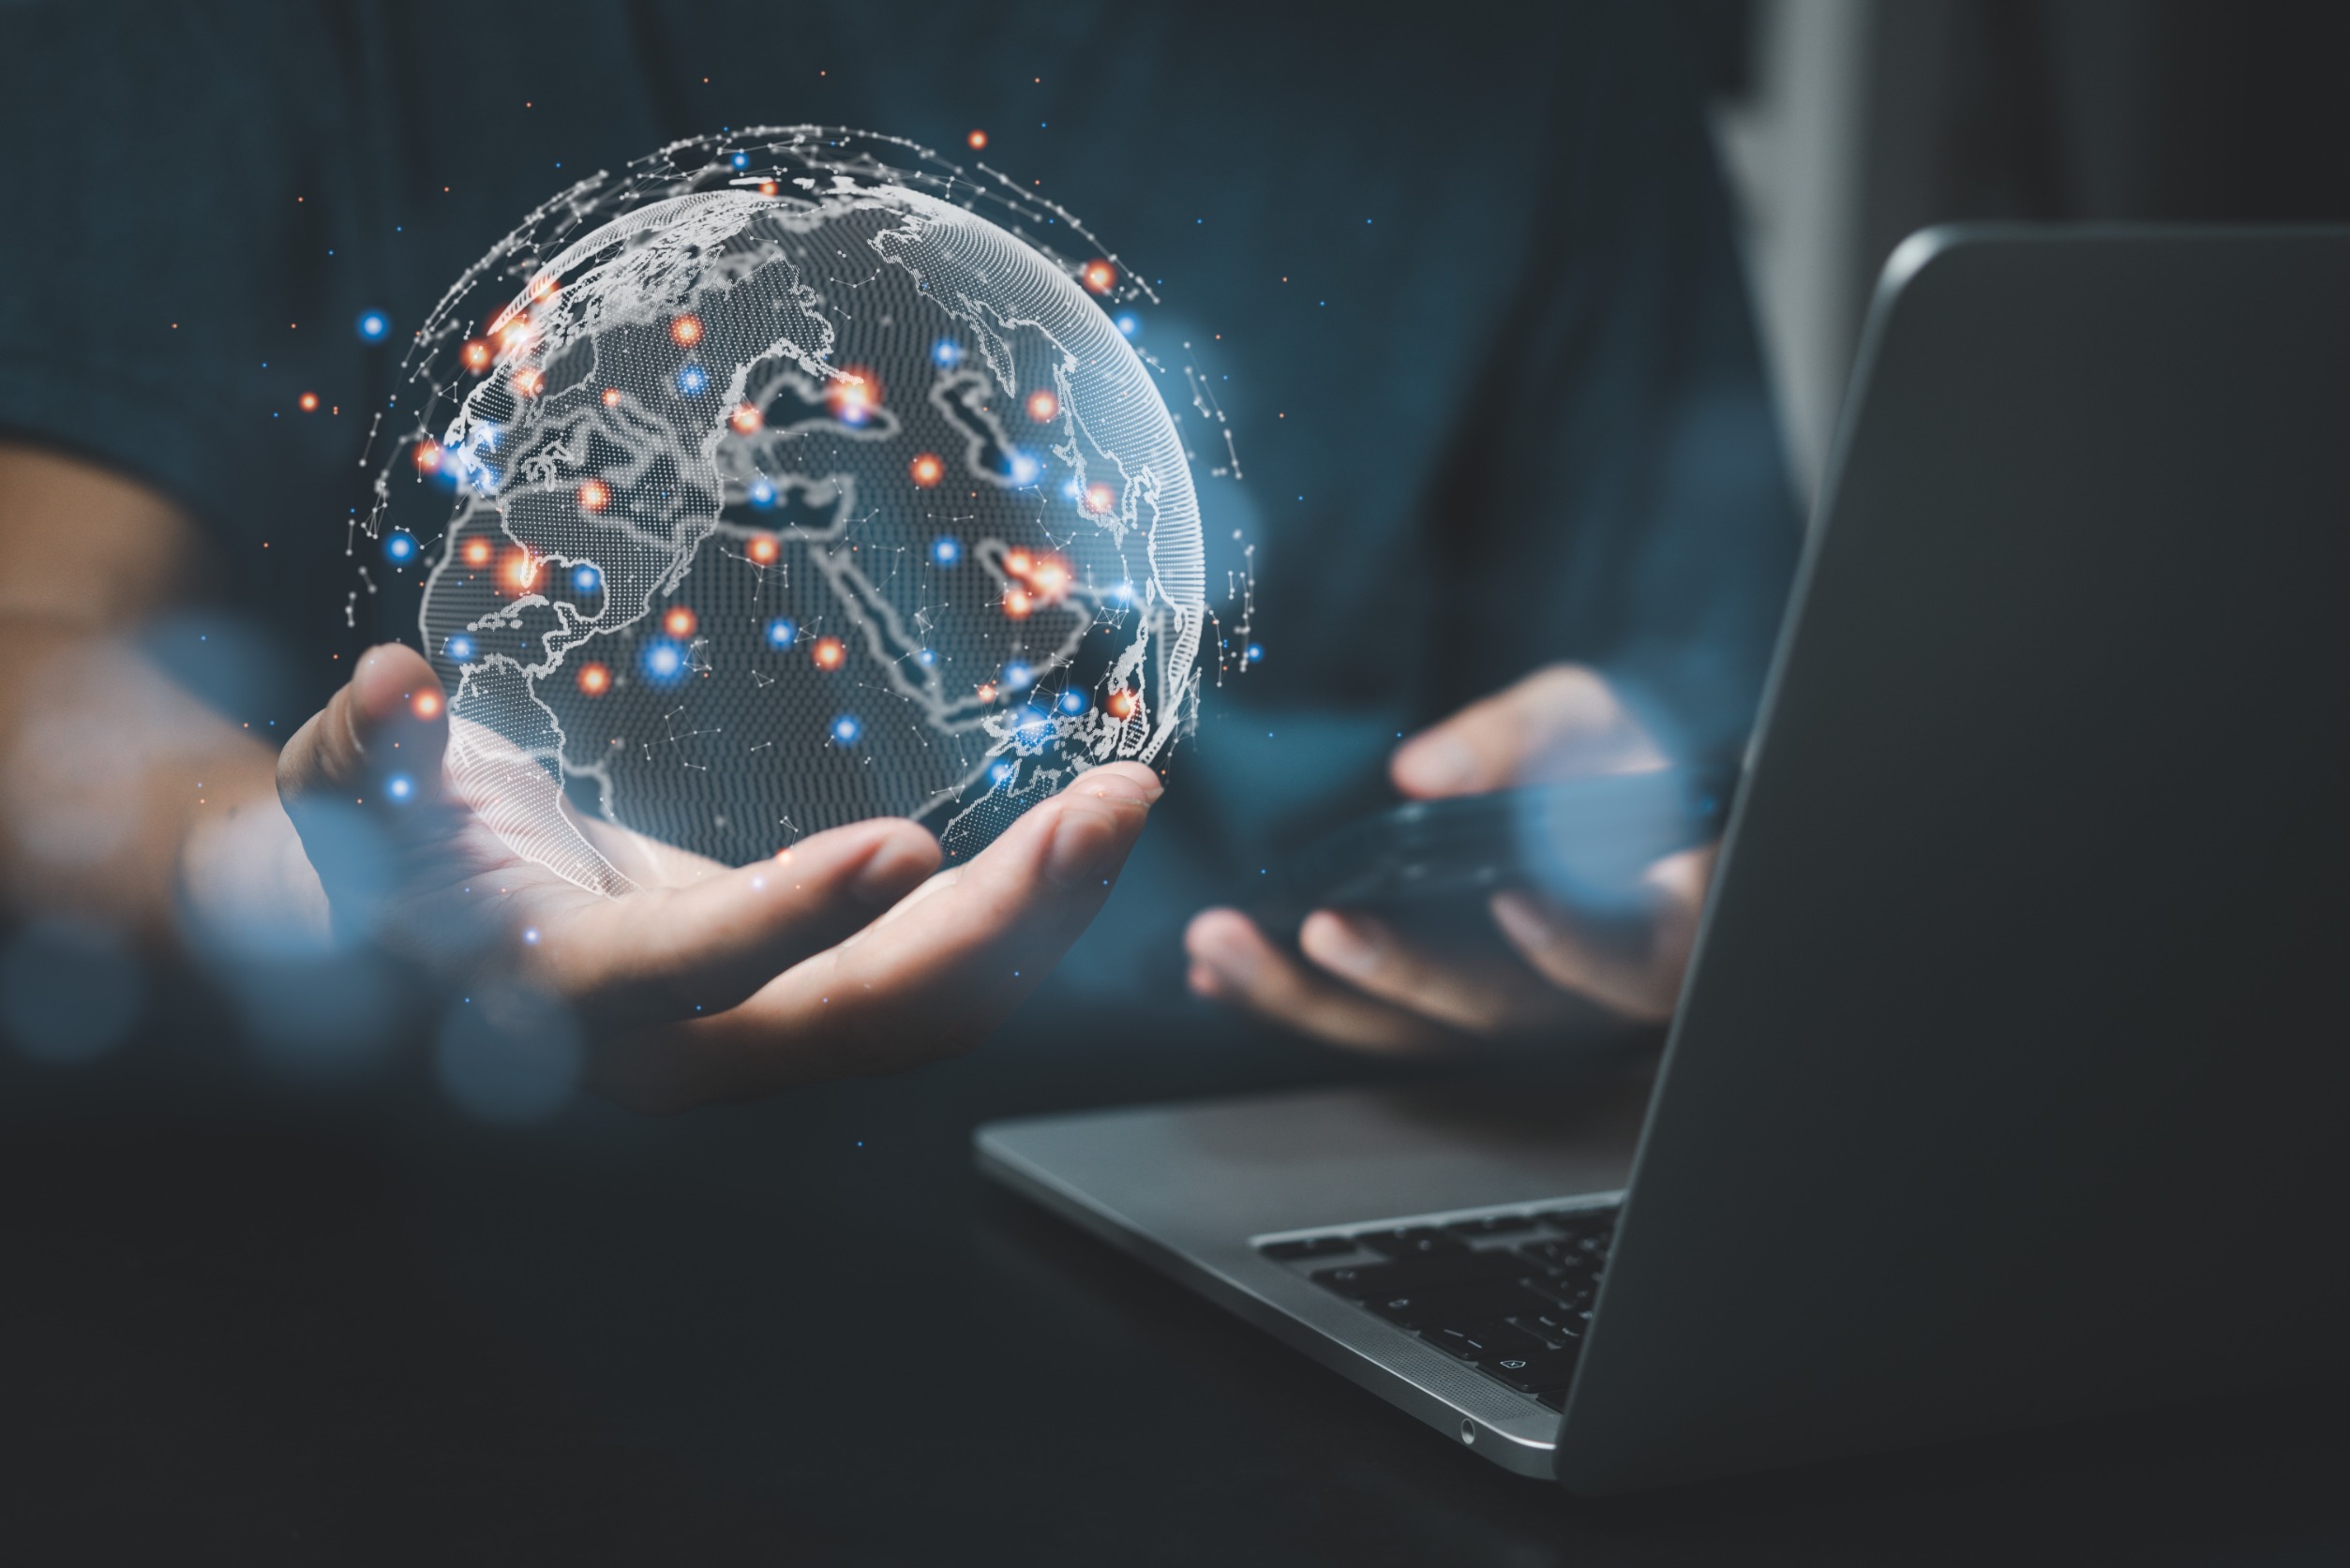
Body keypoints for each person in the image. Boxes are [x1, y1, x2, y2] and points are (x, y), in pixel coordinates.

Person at [0, 0, 1799, 1105]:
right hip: (400, 1262)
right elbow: (30, 648)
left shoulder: (1547, 45)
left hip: (1270, 1224)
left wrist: (1674, 915)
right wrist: (286, 877)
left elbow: (1731, 751)